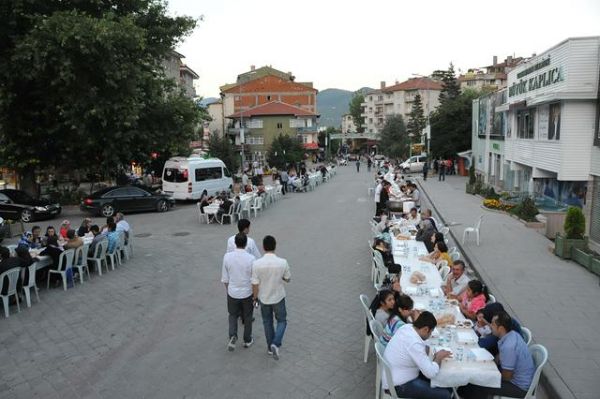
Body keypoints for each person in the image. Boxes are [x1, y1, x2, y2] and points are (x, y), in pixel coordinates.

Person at [459, 311, 535, 399]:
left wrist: (489, 376)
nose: (490, 326)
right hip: (515, 379)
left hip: (518, 387)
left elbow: (506, 377)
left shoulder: (509, 346)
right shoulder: (511, 335)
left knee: (480, 384)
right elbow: (500, 356)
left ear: (501, 328)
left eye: (493, 324)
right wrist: (489, 367)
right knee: (477, 376)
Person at [383, 312, 452, 399]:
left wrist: (426, 350)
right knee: (445, 395)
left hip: (395, 375)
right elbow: (430, 373)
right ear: (426, 329)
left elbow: (422, 347)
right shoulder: (414, 344)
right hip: (399, 385)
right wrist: (438, 357)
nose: (430, 336)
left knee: (445, 384)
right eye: (430, 333)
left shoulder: (407, 327)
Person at [251, 235, 291, 360]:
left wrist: (255, 298)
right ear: (275, 246)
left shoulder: (256, 264)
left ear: (263, 247)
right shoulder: (282, 262)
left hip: (264, 297)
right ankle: (276, 342)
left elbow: (255, 284)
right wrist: (282, 277)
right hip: (278, 296)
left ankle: (270, 347)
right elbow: (288, 278)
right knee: (282, 321)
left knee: (267, 322)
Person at [221, 233, 256, 351]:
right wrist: (255, 296)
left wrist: (229, 291)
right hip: (247, 292)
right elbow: (254, 279)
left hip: (232, 292)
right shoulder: (251, 258)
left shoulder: (227, 257)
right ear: (246, 244)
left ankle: (232, 335)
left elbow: (225, 279)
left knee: (232, 315)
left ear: (235, 243)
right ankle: (247, 339)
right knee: (247, 316)